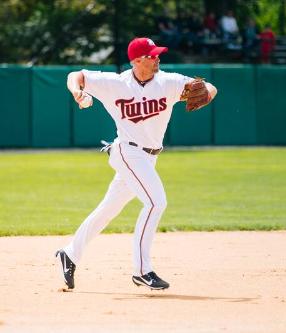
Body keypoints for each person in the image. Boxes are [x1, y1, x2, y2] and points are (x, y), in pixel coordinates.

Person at [55, 37, 217, 290]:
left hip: (149, 158)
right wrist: (78, 91)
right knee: (156, 202)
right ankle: (142, 270)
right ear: (137, 60)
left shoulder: (169, 82)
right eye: (152, 55)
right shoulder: (116, 84)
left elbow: (209, 86)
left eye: (157, 54)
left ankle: (69, 253)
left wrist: (207, 93)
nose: (158, 58)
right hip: (128, 153)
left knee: (108, 210)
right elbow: (75, 75)